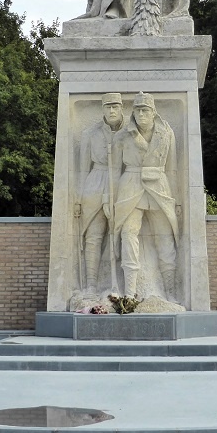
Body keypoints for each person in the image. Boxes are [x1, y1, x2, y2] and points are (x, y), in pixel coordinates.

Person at [111, 92, 180, 299]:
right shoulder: (122, 136)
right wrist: (108, 198)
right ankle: (130, 293)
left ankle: (170, 292)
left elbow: (173, 170)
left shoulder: (166, 133)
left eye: (145, 110)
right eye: (138, 110)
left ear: (153, 112)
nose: (141, 114)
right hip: (130, 185)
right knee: (128, 234)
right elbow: (114, 171)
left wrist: (177, 201)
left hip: (159, 186)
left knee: (165, 238)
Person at [74, 93, 125, 292]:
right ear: (102, 109)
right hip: (95, 182)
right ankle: (91, 284)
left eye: (115, 107)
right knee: (93, 236)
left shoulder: (130, 132)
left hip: (121, 183)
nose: (112, 111)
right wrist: (78, 198)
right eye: (108, 107)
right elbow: (83, 169)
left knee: (122, 235)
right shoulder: (90, 134)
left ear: (121, 108)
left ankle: (122, 285)